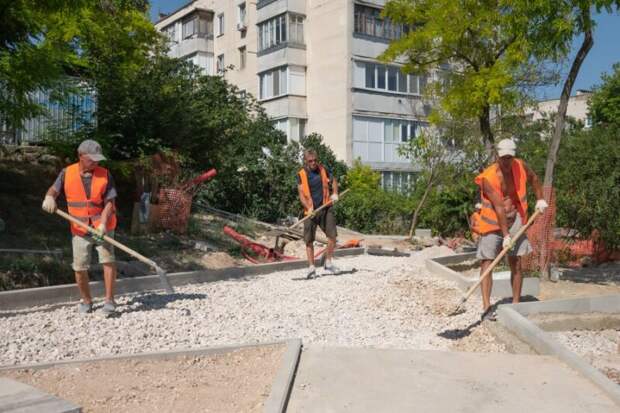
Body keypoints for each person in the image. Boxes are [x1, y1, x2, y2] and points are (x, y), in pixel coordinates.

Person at [42, 140, 118, 314]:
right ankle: (86, 301)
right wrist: (49, 198)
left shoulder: (105, 174)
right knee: (79, 266)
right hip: (79, 229)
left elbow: (109, 203)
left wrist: (103, 225)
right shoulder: (66, 173)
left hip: (102, 227)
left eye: (98, 159)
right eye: (92, 159)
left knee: (108, 261)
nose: (96, 163)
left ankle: (110, 301)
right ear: (81, 156)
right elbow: (53, 190)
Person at [474, 138, 547, 321]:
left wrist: (540, 198)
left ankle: (516, 304)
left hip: (515, 218)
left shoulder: (520, 166)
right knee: (487, 263)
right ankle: (486, 307)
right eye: (504, 158)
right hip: (492, 221)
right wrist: (505, 235)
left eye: (510, 157)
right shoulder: (488, 177)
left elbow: (535, 179)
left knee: (516, 261)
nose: (507, 162)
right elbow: (499, 207)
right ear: (498, 156)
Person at [297, 149, 340, 279]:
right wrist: (308, 208)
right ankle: (311, 267)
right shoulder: (301, 174)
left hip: (326, 207)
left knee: (332, 236)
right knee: (309, 240)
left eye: (315, 160)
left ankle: (328, 262)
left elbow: (334, 181)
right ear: (306, 161)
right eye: (310, 161)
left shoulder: (323, 169)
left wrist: (335, 193)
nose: (313, 163)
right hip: (310, 212)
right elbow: (301, 195)